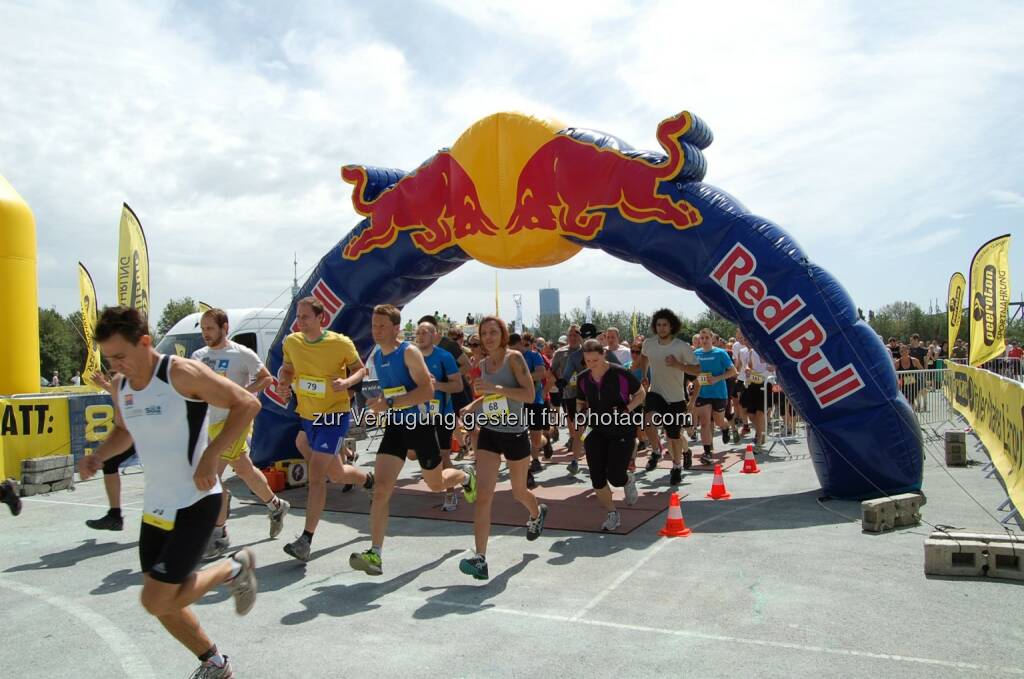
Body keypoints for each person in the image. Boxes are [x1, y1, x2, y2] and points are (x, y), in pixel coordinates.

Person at [77, 306, 258, 678]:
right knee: (165, 603)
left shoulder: (180, 373)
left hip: (196, 501)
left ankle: (233, 568)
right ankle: (214, 662)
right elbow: (125, 430)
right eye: (109, 359)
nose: (115, 366)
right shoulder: (122, 386)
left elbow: (247, 403)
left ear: (145, 342)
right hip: (156, 509)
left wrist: (211, 455)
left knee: (154, 598)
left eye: (120, 356)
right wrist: (98, 456)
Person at [351, 305, 477, 576]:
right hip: (396, 426)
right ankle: (375, 553)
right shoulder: (375, 354)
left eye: (382, 326)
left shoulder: (408, 352)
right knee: (382, 489)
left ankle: (465, 477)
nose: (376, 330)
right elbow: (375, 387)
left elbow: (426, 391)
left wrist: (391, 402)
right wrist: (374, 401)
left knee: (436, 484)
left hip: (420, 425)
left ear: (396, 328)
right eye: (373, 325)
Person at [277, 296, 374, 562]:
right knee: (337, 473)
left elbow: (361, 370)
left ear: (322, 318)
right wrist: (282, 382)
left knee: (317, 475)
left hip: (332, 415)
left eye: (306, 316)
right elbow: (287, 369)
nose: (300, 321)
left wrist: (346, 382)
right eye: (298, 316)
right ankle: (368, 480)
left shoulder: (340, 343)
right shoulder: (292, 342)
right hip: (307, 415)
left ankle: (305, 540)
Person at [191, 309, 290, 558]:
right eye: (203, 329)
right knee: (244, 469)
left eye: (210, 328)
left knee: (211, 477)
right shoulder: (198, 356)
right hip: (209, 423)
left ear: (224, 327)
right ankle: (276, 505)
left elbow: (266, 379)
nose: (205, 333)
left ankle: (218, 535)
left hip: (235, 421)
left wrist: (241, 392)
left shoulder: (241, 353)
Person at [458, 316, 546, 580]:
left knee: (519, 491)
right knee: (484, 495)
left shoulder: (515, 359)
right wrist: (472, 407)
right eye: (484, 333)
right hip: (489, 432)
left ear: (503, 334)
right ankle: (480, 558)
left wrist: (496, 387)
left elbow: (528, 395)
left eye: (493, 332)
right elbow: (491, 397)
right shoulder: (483, 363)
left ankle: (537, 512)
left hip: (515, 433)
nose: (488, 337)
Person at [575, 339, 645, 530]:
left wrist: (627, 409)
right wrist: (582, 414)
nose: (591, 365)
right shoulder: (583, 378)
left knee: (615, 476)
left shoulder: (620, 374)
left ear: (603, 355)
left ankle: (627, 479)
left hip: (621, 429)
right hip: (595, 430)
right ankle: (612, 513)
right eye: (587, 361)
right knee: (597, 477)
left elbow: (641, 394)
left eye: (595, 360)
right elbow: (580, 402)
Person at [635, 309, 700, 484]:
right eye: (658, 325)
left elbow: (697, 370)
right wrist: (644, 374)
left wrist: (678, 364)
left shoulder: (681, 347)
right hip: (656, 392)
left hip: (676, 397)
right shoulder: (649, 343)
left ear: (671, 326)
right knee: (647, 421)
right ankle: (656, 451)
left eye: (665, 325)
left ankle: (677, 465)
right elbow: (644, 358)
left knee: (674, 436)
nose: (661, 328)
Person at [413, 319, 464, 511]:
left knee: (444, 455)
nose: (421, 336)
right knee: (411, 453)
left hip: (441, 413)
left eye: (425, 332)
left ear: (434, 335)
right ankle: (439, 477)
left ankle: (450, 493)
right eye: (418, 332)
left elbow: (458, 385)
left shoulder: (444, 356)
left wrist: (437, 385)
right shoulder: (410, 356)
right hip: (416, 413)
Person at [561, 323, 622, 475]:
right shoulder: (575, 356)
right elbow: (567, 374)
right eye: (584, 336)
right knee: (580, 430)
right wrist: (562, 381)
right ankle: (575, 461)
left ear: (596, 337)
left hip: (606, 398)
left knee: (605, 430)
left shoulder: (605, 353)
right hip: (584, 398)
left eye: (590, 337)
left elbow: (621, 369)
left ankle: (611, 461)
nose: (587, 340)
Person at [83, 370, 138, 531]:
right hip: (132, 432)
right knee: (110, 462)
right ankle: (114, 515)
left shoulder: (136, 376)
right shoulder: (121, 383)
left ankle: (115, 516)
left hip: (142, 431)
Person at [693, 327, 737, 465]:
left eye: (707, 338)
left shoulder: (720, 353)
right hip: (703, 393)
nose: (704, 340)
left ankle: (725, 428)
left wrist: (717, 378)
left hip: (719, 393)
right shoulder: (696, 353)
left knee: (718, 420)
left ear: (712, 339)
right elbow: (693, 372)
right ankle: (707, 452)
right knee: (705, 422)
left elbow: (733, 371)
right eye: (702, 338)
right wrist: (692, 383)